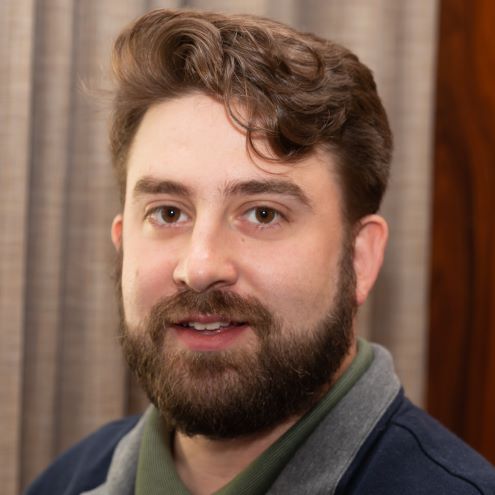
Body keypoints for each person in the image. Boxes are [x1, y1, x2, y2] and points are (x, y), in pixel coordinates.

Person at [26, 8, 495, 495]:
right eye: (168, 213)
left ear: (360, 258)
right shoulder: (63, 481)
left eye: (263, 214)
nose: (201, 267)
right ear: (122, 244)